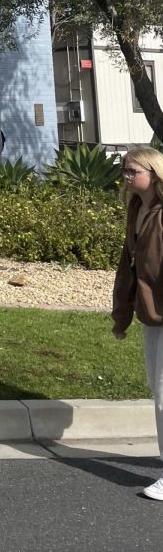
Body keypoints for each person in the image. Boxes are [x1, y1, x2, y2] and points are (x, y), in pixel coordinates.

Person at [112, 147, 163, 499]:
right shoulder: (137, 210)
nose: (127, 177)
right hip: (152, 314)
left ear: (154, 172)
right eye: (125, 171)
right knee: (156, 388)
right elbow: (127, 267)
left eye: (133, 171)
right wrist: (122, 315)